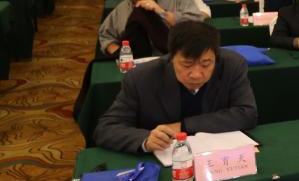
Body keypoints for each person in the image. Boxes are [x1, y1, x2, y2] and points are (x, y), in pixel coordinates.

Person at [93, 21, 257, 154]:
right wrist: (146, 140)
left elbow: (247, 113)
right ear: (171, 58)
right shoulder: (141, 78)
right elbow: (106, 128)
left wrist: (182, 126)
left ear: (216, 57)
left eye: (206, 64)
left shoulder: (231, 65)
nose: (196, 74)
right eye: (187, 64)